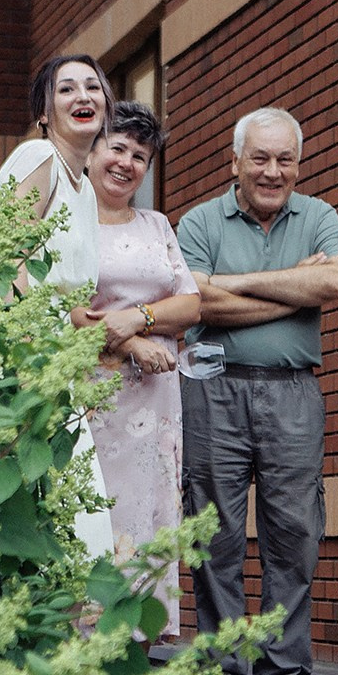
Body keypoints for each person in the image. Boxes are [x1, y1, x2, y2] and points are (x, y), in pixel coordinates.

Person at [177, 107, 338, 675]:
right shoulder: (198, 221)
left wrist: (233, 289)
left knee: (294, 535)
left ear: (297, 164)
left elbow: (331, 284)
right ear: (235, 162)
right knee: (213, 532)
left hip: (293, 393)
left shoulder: (320, 217)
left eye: (284, 159)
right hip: (212, 390)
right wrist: (285, 291)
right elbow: (196, 303)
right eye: (260, 158)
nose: (273, 171)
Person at [77, 102, 201, 640]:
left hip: (154, 407)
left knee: (146, 522)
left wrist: (137, 319)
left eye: (140, 156)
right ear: (93, 151)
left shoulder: (157, 225)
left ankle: (128, 668)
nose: (126, 162)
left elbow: (191, 304)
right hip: (92, 400)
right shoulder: (67, 220)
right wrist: (131, 345)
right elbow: (65, 310)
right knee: (93, 522)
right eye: (118, 148)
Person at [0, 54, 116, 560]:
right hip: (23, 360)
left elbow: (67, 297)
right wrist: (25, 364)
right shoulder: (38, 158)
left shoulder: (83, 189)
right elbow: (3, 261)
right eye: (66, 90)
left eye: (93, 87)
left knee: (71, 513)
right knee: (50, 513)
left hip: (57, 364)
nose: (83, 97)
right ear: (44, 111)